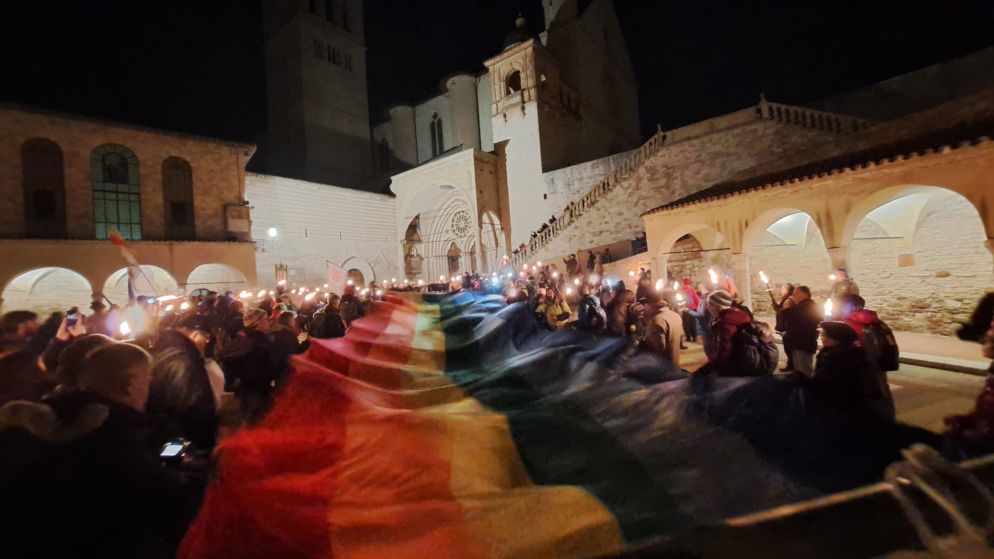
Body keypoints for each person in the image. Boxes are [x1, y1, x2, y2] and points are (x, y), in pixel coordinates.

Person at [0, 342, 204, 558]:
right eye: (148, 379)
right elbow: (173, 491)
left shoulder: (33, 424)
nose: (150, 387)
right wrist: (182, 451)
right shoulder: (129, 435)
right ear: (131, 384)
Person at [148, 316, 221, 449]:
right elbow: (195, 407)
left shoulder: (166, 351)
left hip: (168, 438)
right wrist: (203, 446)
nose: (206, 342)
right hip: (183, 441)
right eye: (206, 337)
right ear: (195, 333)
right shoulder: (184, 361)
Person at [810, 321, 893, 422]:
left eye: (823, 334)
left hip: (843, 412)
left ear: (835, 339)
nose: (820, 337)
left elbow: (829, 387)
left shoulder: (841, 359)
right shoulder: (834, 353)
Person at [216, 309, 278, 424]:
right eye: (266, 319)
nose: (269, 321)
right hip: (256, 390)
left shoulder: (242, 339)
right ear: (257, 324)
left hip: (244, 390)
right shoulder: (258, 342)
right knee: (259, 422)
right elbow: (258, 369)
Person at [695, 290, 753, 376]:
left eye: (710, 304)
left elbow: (722, 356)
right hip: (742, 364)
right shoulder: (740, 314)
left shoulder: (725, 324)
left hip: (731, 370)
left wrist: (701, 371)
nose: (707, 308)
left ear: (718, 306)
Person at [781, 285, 821, 377]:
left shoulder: (806, 306)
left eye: (795, 293)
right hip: (799, 342)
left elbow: (790, 317)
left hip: (803, 343)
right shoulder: (803, 305)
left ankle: (806, 388)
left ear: (802, 294)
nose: (793, 296)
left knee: (804, 369)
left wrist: (786, 308)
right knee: (799, 369)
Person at [641, 291, 685, 367]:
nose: (644, 307)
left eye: (645, 304)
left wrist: (642, 343)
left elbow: (658, 348)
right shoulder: (675, 315)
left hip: (661, 367)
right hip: (674, 363)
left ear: (651, 305)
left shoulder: (657, 320)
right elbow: (682, 339)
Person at [773, 284, 796, 371]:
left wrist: (786, 330)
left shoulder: (788, 301)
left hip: (787, 329)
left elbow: (785, 314)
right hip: (786, 328)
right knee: (788, 348)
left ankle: (791, 366)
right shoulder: (786, 299)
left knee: (789, 348)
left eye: (783, 288)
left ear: (787, 290)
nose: (781, 290)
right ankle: (791, 365)